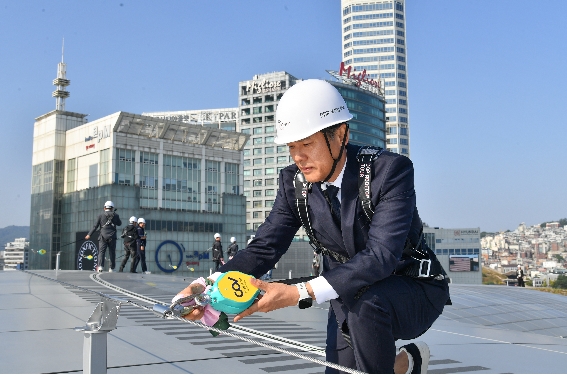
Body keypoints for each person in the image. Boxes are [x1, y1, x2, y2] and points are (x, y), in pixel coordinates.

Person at [176, 79, 450, 374]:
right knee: (340, 371)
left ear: (341, 134)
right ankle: (408, 363)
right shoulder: (293, 183)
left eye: (307, 144)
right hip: (349, 294)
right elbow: (266, 246)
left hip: (411, 289)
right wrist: (205, 285)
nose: (298, 156)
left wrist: (298, 293)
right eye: (292, 146)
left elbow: (380, 256)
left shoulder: (389, 171)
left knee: (368, 308)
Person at [86, 200, 122, 272]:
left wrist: (89, 234)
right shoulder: (116, 215)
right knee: (112, 252)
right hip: (112, 237)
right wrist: (114, 217)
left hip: (103, 236)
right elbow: (119, 223)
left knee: (101, 252)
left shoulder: (100, 216)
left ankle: (100, 267)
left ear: (104, 208)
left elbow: (95, 226)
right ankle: (112, 268)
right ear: (112, 208)